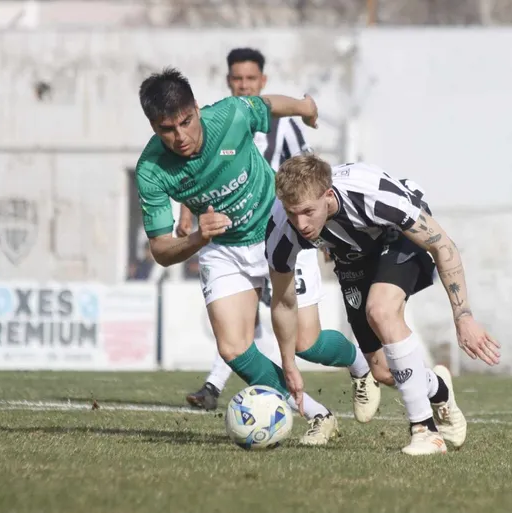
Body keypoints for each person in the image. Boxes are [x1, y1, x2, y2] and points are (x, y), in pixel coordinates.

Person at [135, 68, 377, 446]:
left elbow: (269, 105)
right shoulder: (150, 170)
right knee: (232, 347)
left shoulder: (229, 115)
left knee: (305, 344)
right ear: (153, 127)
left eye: (186, 121)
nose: (180, 136)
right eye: (167, 129)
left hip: (278, 230)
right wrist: (200, 235)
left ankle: (360, 366)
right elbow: (162, 251)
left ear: (197, 109)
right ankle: (317, 414)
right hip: (222, 249)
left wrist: (305, 108)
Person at [265, 155, 502, 455]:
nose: (300, 223)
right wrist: (289, 364)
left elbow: (443, 245)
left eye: (308, 212)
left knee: (380, 309)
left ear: (328, 195)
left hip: (397, 236)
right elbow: (284, 303)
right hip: (353, 255)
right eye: (291, 213)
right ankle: (439, 389)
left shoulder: (373, 195)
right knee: (383, 371)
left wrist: (463, 316)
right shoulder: (280, 230)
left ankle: (426, 432)